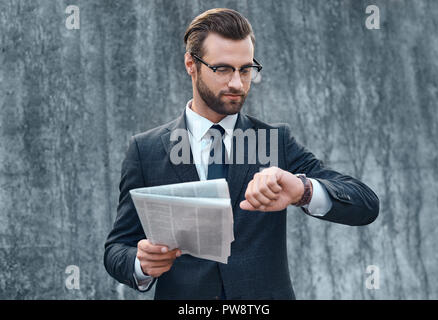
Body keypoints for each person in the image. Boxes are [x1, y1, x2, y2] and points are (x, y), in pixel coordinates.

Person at [104, 8, 379, 300]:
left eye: (246, 69)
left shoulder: (275, 141)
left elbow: (365, 203)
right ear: (190, 64)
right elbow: (116, 249)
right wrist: (141, 263)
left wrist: (302, 190)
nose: (237, 83)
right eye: (222, 69)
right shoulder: (145, 150)